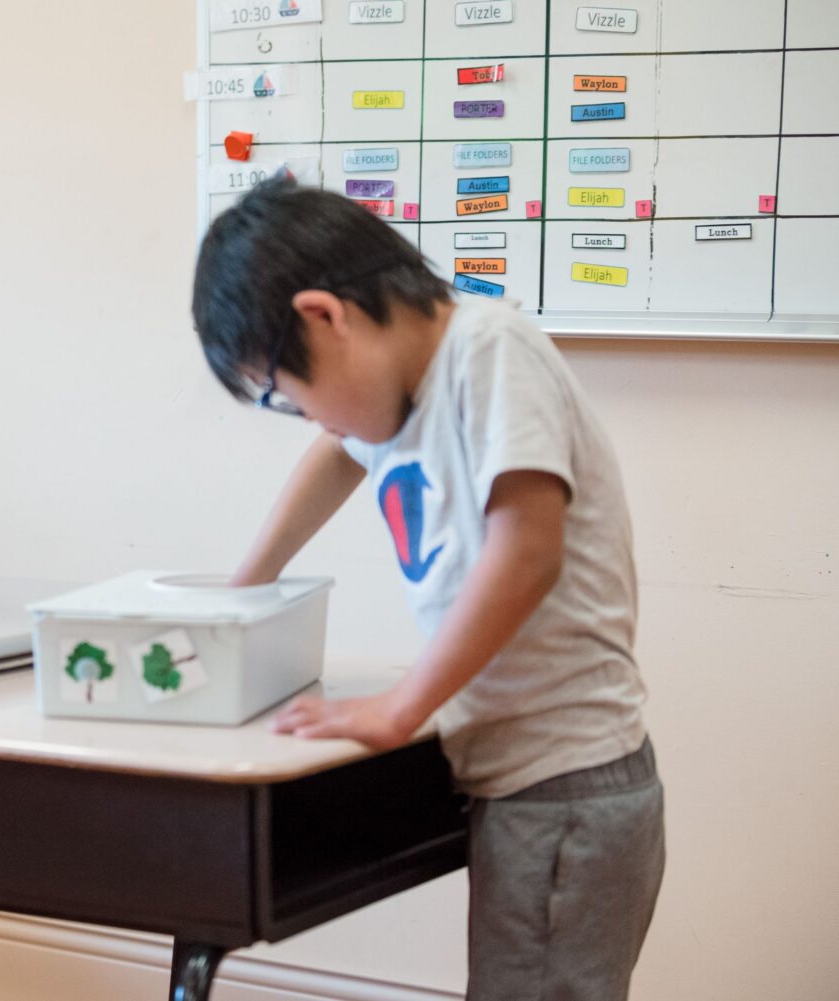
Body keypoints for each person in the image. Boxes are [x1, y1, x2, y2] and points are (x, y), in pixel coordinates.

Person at [191, 178, 664, 1000]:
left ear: (324, 316)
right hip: (521, 781)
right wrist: (247, 581)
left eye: (285, 390)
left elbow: (527, 551)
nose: (307, 416)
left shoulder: (488, 351)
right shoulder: (399, 394)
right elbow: (339, 452)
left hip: (568, 789)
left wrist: (400, 706)